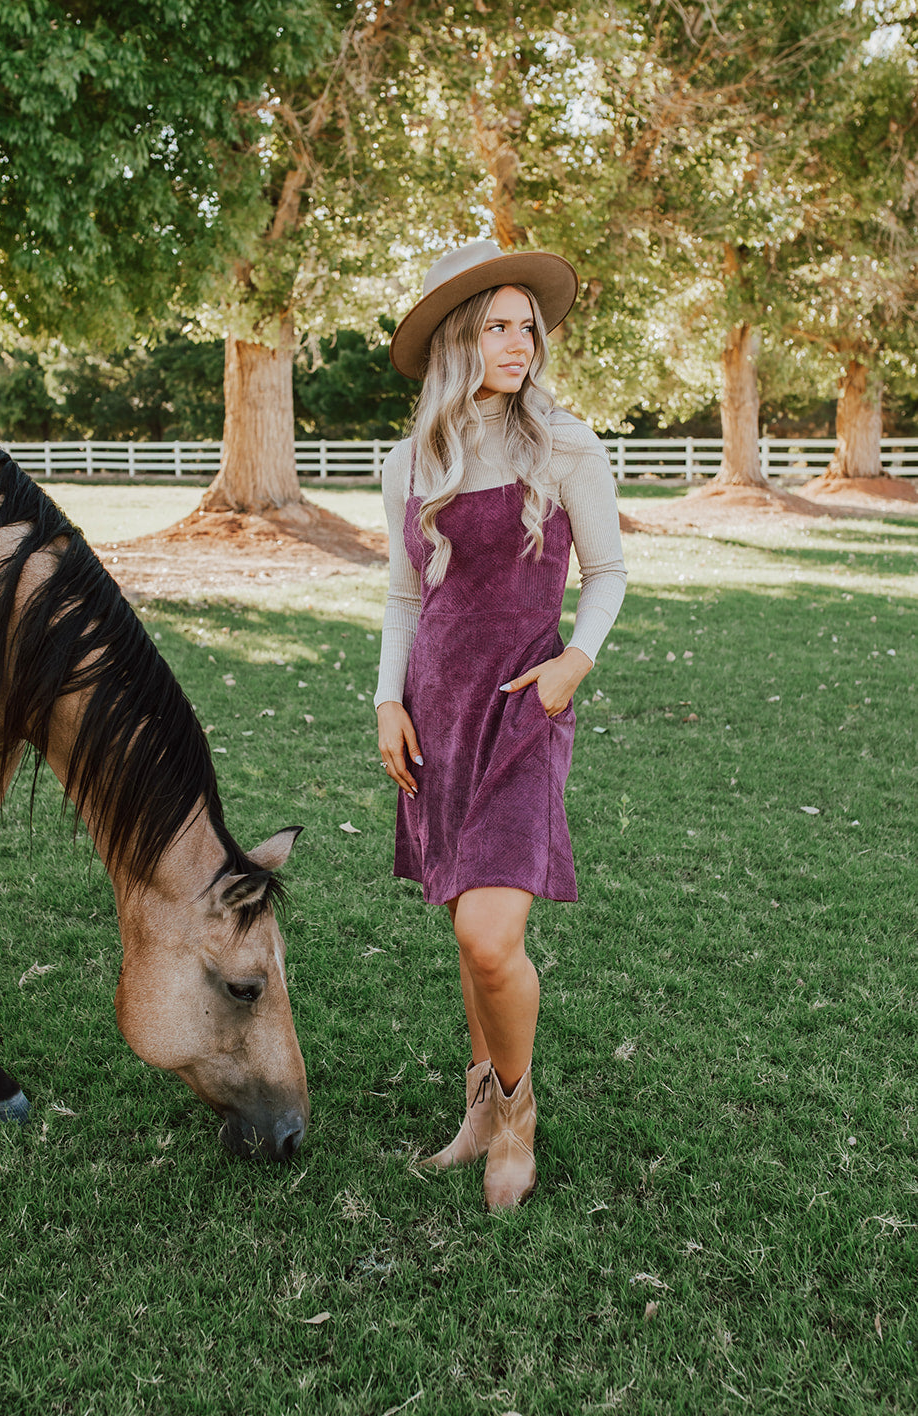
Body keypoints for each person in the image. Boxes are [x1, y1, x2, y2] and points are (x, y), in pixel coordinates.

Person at [375, 238, 627, 1211]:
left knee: (489, 934)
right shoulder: (408, 462)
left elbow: (604, 571)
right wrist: (385, 701)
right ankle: (477, 1105)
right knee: (460, 924)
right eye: (496, 326)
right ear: (455, 338)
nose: (519, 342)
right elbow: (403, 597)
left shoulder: (563, 444)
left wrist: (574, 660)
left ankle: (515, 1115)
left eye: (527, 326)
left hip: (523, 706)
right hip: (435, 708)